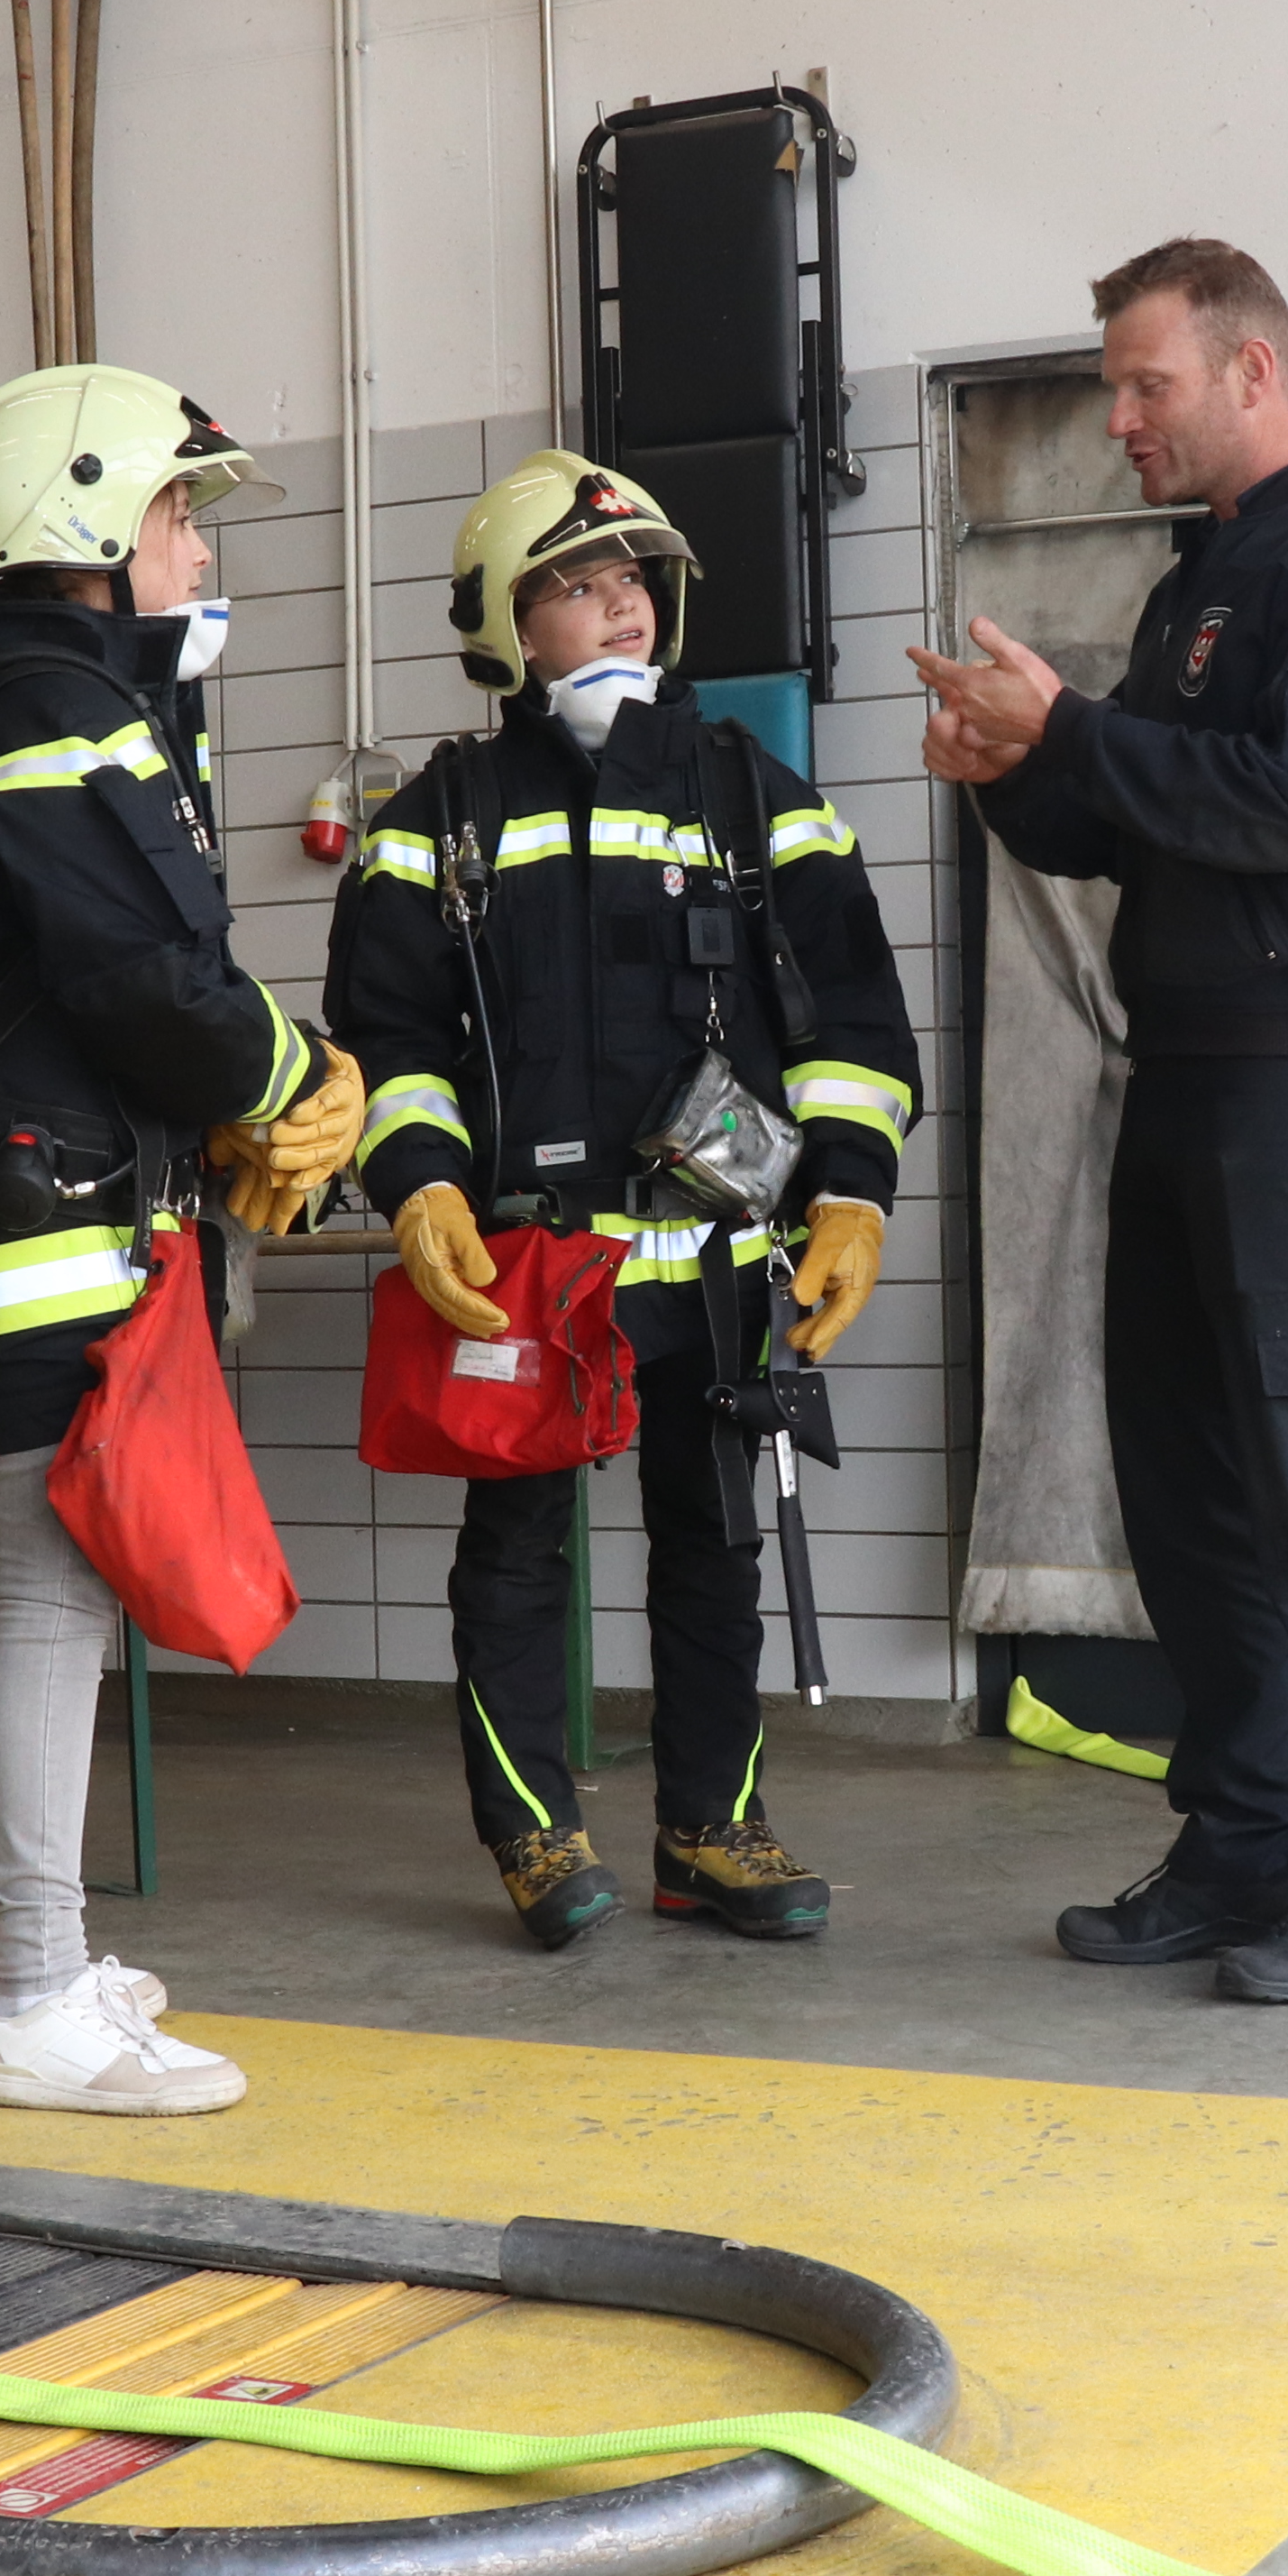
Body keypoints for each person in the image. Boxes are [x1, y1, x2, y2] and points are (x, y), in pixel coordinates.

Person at [909, 237, 1288, 2006]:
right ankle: (1242, 1845)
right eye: (1114, 384)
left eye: (1146, 382)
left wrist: (1074, 723)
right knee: (1196, 1492)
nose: (1118, 416)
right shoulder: (1205, 584)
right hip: (1190, 1077)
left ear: (1253, 371)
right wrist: (1020, 779)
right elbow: (1125, 829)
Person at [326, 454, 924, 1950]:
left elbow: (852, 1023)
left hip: (723, 1264)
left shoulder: (752, 795)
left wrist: (850, 1201)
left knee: (713, 1553)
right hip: (529, 1272)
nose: (626, 606)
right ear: (504, 624)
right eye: (582, 585)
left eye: (639, 581)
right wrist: (419, 1191)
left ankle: (709, 1834)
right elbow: (389, 1045)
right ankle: (534, 1835)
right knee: (515, 1549)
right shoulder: (435, 819)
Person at [0, 363, 364, 2108]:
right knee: (52, 1588)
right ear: (80, 521)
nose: (195, 549)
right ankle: (33, 1993)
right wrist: (300, 1071)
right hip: (48, 1192)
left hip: (13, 1180)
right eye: (178, 512)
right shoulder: (52, 712)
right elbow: (135, 978)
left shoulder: (0, 699)